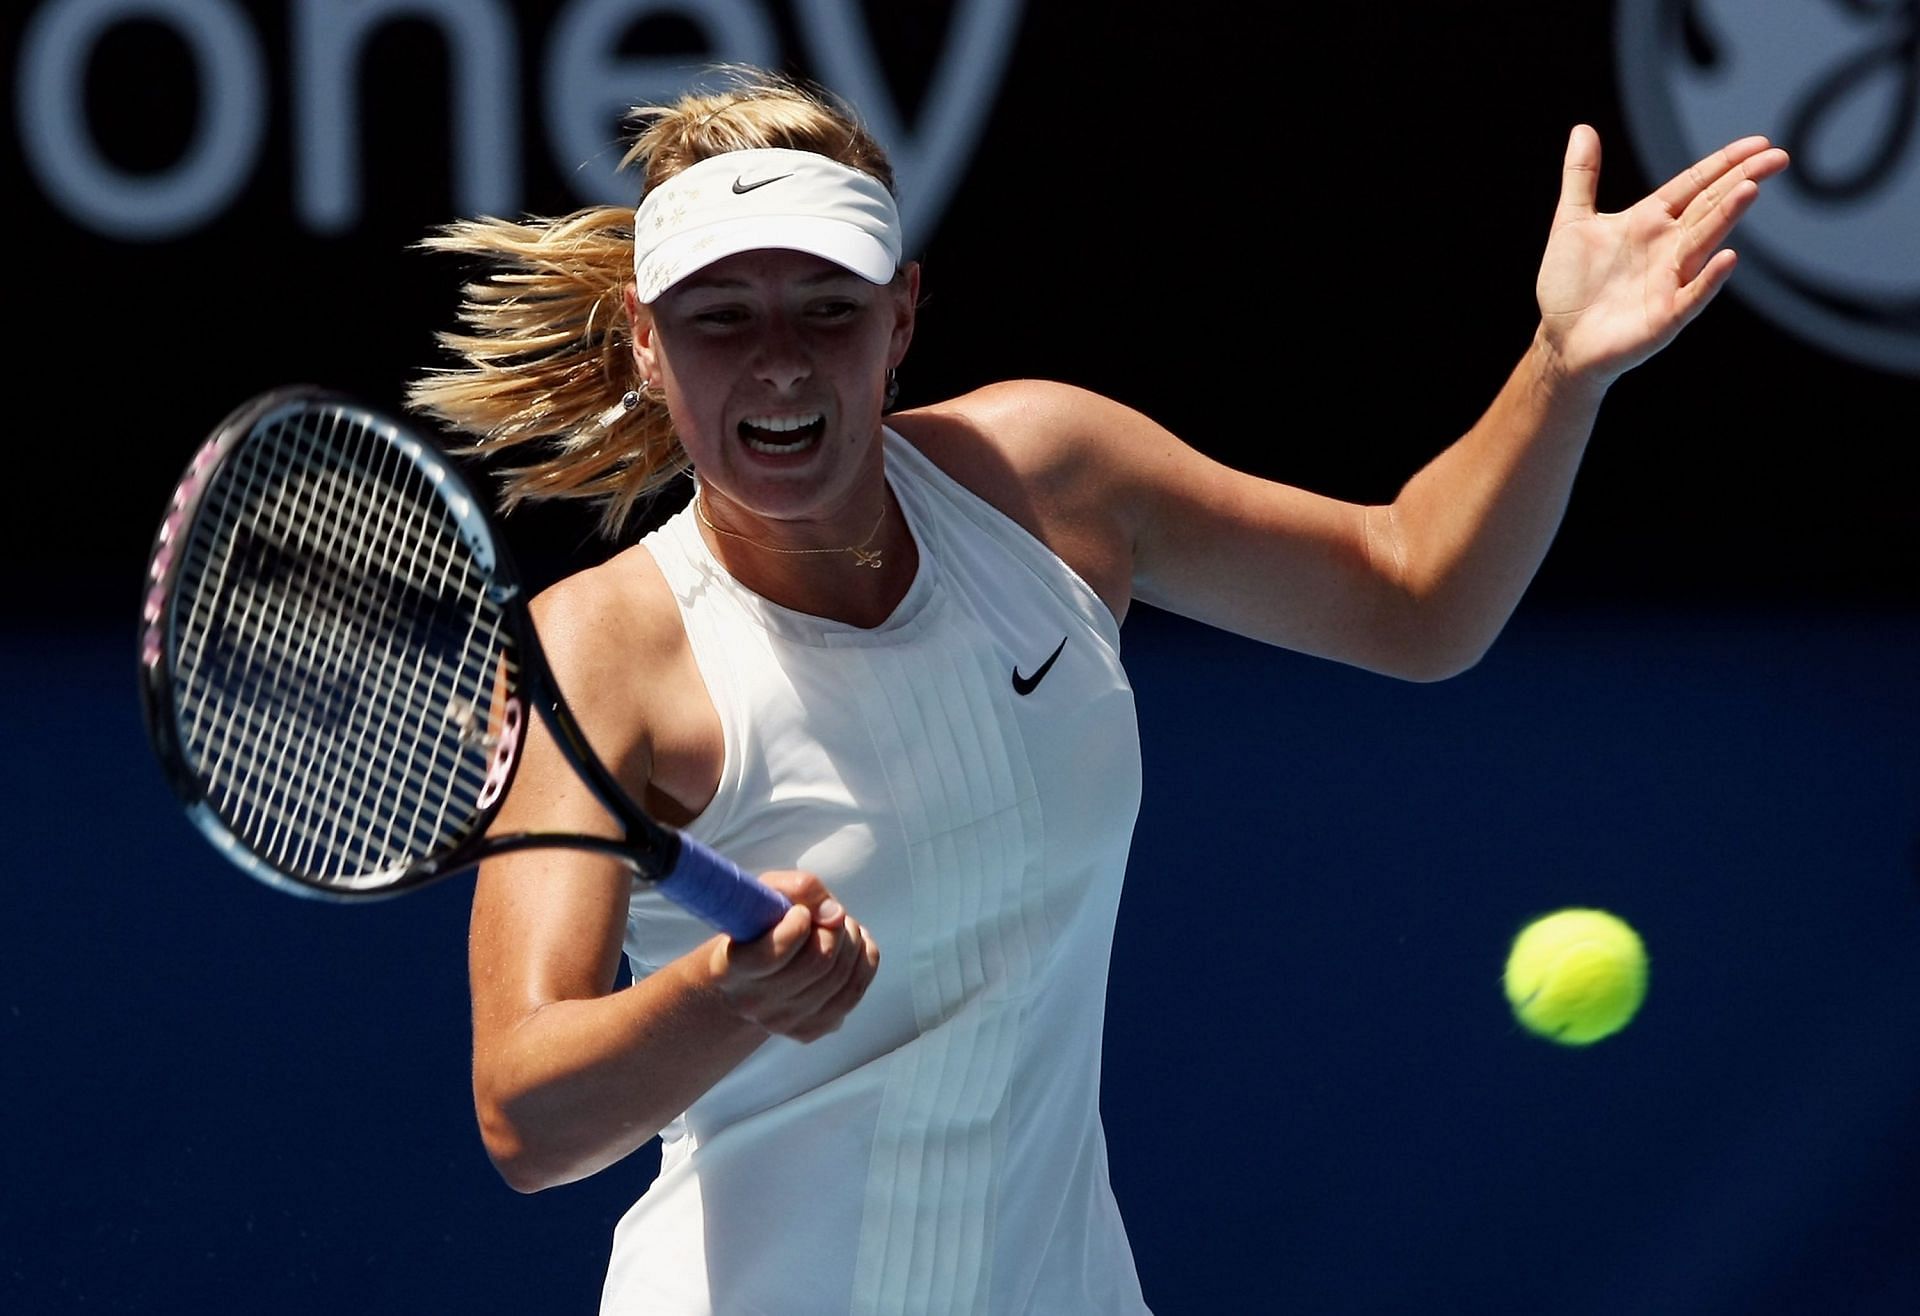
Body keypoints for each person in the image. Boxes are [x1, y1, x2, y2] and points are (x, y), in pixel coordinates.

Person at [404, 64, 1787, 1315]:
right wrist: (723, 996)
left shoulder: (1052, 481)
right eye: (720, 317)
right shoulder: (596, 651)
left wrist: (1563, 369)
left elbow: (1413, 593)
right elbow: (528, 1118)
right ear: (648, 342)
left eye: (828, 308)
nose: (776, 357)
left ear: (900, 321)